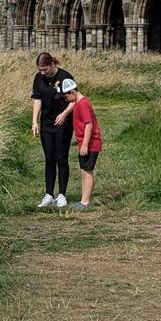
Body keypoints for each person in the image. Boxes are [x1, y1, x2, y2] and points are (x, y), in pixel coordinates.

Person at [31, 52, 74, 209]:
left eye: (45, 69)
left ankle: (62, 195)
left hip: (63, 122)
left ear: (52, 64)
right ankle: (49, 194)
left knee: (61, 158)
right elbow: (37, 99)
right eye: (40, 70)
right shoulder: (38, 78)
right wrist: (34, 121)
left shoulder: (65, 77)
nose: (42, 73)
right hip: (46, 123)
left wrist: (64, 114)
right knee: (49, 158)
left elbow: (74, 100)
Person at [55, 78, 102, 210]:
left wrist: (85, 144)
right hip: (83, 142)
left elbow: (89, 124)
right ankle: (83, 200)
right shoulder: (78, 101)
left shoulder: (82, 104)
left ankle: (85, 202)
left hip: (90, 143)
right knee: (83, 170)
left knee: (87, 171)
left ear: (72, 92)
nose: (66, 100)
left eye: (66, 97)